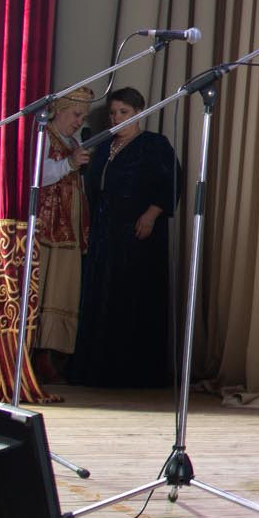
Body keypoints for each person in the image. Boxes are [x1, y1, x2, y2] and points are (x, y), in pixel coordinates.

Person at [71, 86, 181, 389]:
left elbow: (172, 180)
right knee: (102, 296)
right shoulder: (104, 145)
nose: (117, 118)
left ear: (139, 113)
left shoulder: (154, 145)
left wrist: (151, 214)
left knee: (134, 297)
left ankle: (133, 372)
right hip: (105, 232)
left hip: (139, 232)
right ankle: (99, 370)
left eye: (124, 113)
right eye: (113, 113)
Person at [31, 86, 93, 384]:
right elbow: (38, 175)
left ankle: (51, 352)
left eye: (83, 116)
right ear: (60, 110)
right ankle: (32, 350)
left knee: (62, 288)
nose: (79, 121)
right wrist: (69, 163)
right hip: (46, 224)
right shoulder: (45, 136)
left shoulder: (74, 140)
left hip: (68, 224)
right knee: (42, 284)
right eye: (76, 114)